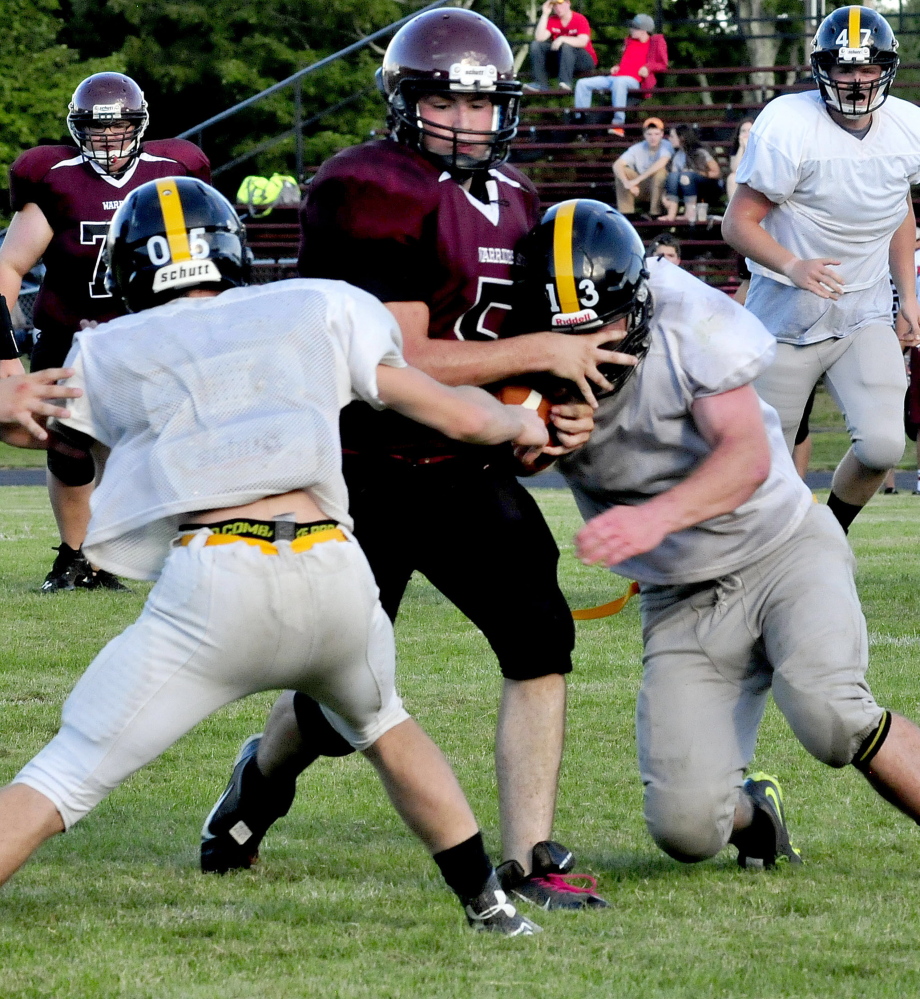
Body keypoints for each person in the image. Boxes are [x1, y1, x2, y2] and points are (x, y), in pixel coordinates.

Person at [0, 176, 552, 937]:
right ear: (231, 249)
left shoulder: (113, 347)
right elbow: (449, 409)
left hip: (219, 578)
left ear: (130, 269)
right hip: (332, 566)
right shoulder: (312, 305)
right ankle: (489, 905)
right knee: (386, 725)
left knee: (67, 769)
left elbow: (37, 426)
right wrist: (521, 425)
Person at [199, 9, 625, 912]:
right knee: (343, 698)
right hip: (364, 469)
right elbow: (395, 362)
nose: (468, 122)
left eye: (483, 105)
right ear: (405, 101)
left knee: (541, 638)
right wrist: (539, 357)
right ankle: (260, 778)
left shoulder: (512, 197)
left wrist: (548, 422)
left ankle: (531, 858)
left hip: (466, 472)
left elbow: (506, 355)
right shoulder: (364, 184)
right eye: (447, 101)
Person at [518, 198, 920, 870]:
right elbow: (488, 445)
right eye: (571, 334)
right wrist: (528, 441)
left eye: (608, 324)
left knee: (831, 715)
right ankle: (756, 813)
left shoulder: (684, 311)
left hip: (784, 548)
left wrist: (652, 517)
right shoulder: (518, 359)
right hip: (683, 593)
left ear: (639, 299)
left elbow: (744, 455)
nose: (594, 347)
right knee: (686, 828)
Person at [0, 72, 211, 592]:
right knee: (66, 447)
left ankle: (194, 552)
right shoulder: (52, 177)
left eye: (120, 129)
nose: (109, 142)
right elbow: (8, 268)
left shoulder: (174, 170)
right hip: (70, 338)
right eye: (97, 131)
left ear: (140, 126)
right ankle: (77, 557)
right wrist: (6, 360)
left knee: (183, 444)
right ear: (77, 130)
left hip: (152, 337)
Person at [722, 7, 920, 534]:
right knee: (765, 464)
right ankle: (760, 555)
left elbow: (898, 207)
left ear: (886, 68)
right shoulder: (789, 123)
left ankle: (830, 533)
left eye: (867, 67)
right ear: (822, 69)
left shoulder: (907, 126)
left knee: (882, 446)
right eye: (844, 67)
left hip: (865, 311)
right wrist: (793, 264)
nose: (856, 81)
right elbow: (737, 223)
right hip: (787, 313)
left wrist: (909, 298)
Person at [573, 14, 669, 136]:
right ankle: (581, 119)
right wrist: (617, 66)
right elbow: (626, 60)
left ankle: (618, 124)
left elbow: (662, 64)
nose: (631, 29)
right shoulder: (629, 41)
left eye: (635, 28)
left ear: (644, 31)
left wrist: (648, 68)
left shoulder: (654, 43)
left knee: (620, 82)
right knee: (583, 83)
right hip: (616, 77)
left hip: (635, 81)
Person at [526, 0, 598, 93]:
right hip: (562, 61)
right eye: (554, 5)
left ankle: (566, 83)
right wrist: (544, 14)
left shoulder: (579, 19)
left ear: (568, 3)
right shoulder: (552, 20)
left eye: (560, 4)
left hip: (583, 61)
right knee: (536, 45)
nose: (558, 8)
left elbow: (583, 41)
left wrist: (562, 38)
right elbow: (539, 38)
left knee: (566, 45)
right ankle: (540, 83)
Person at [658, 125, 722, 223]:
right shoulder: (677, 156)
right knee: (673, 176)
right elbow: (673, 180)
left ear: (682, 138)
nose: (669, 139)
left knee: (686, 176)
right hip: (685, 189)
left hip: (707, 188)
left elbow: (716, 173)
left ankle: (690, 213)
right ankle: (671, 213)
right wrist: (664, 196)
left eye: (672, 136)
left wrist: (695, 173)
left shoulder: (700, 152)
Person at [612, 117, 673, 217]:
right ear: (644, 135)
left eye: (656, 134)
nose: (653, 138)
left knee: (660, 173)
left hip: (663, 189)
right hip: (642, 187)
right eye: (649, 134)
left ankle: (655, 213)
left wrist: (636, 181)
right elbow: (617, 164)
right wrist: (627, 183)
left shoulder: (667, 146)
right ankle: (626, 213)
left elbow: (661, 162)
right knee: (623, 171)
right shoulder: (637, 148)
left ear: (662, 134)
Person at [725, 117, 754, 202]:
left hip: (756, 177)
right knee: (732, 178)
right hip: (742, 178)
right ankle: (733, 212)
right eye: (743, 131)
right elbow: (735, 169)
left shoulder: (761, 147)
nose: (746, 134)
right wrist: (742, 148)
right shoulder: (737, 148)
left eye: (749, 131)